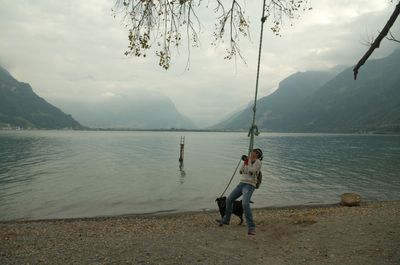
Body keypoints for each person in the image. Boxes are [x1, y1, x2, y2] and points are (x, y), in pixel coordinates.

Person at [218, 148, 263, 235]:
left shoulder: (258, 162)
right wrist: (245, 162)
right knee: (229, 200)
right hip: (241, 184)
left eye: (253, 152)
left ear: (257, 154)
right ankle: (226, 220)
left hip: (249, 185)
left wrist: (249, 161)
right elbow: (241, 171)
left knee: (245, 204)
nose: (251, 152)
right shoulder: (247, 161)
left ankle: (251, 227)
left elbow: (252, 172)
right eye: (251, 151)